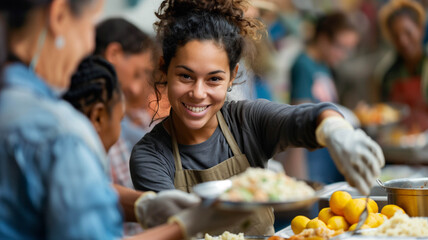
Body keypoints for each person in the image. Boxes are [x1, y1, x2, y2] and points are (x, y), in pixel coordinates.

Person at [130, 0, 384, 237]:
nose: (198, 93)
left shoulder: (246, 120)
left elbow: (309, 116)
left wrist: (335, 129)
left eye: (214, 79)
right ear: (165, 68)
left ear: (233, 76)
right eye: (186, 76)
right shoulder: (150, 155)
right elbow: (170, 231)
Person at [0, 1, 247, 239]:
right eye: (89, 26)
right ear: (59, 15)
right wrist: (185, 226)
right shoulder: (61, 133)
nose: (89, 46)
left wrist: (143, 204)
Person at [93, 17, 161, 235]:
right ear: (113, 54)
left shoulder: (121, 110)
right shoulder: (94, 111)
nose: (135, 88)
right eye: (136, 73)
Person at [288, 12, 360, 184]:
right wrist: (299, 177)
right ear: (323, 38)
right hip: (312, 161)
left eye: (349, 49)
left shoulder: (324, 66)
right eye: (340, 47)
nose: (343, 55)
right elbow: (299, 119)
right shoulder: (303, 65)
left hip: (328, 159)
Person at [376, 0, 428, 131]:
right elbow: (382, 114)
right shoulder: (387, 73)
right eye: (396, 36)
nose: (403, 41)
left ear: (420, 29)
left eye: (408, 33)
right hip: (399, 142)